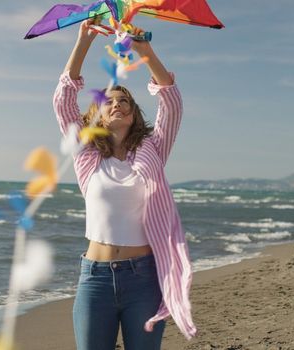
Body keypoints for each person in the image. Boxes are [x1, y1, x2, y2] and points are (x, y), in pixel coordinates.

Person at [53, 19, 197, 350]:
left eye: (125, 102)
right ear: (99, 116)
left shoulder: (154, 150)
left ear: (133, 115)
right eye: (110, 102)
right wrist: (84, 41)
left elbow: (171, 103)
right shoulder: (87, 157)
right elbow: (63, 101)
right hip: (95, 278)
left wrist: (145, 51)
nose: (117, 104)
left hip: (143, 279)